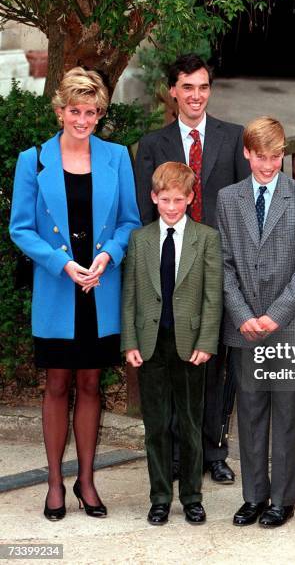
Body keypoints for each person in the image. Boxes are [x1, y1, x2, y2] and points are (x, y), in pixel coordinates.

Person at [9, 67, 141, 520]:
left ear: (100, 114)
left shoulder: (117, 156)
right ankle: (53, 482)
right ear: (60, 110)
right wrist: (62, 264)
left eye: (90, 112)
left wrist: (108, 257)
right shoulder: (35, 159)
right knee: (57, 384)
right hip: (57, 288)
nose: (81, 120)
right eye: (73, 110)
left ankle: (86, 480)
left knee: (90, 383)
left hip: (100, 288)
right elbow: (20, 228)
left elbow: (129, 221)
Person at [135, 53, 250, 484]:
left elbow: (241, 208)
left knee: (216, 361)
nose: (196, 96)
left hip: (219, 267)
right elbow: (147, 212)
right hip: (171, 271)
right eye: (188, 87)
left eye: (203, 87)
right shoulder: (153, 145)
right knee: (178, 357)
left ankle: (214, 449)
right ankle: (181, 453)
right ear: (173, 91)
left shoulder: (232, 136)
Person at [216, 116, 295, 528]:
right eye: (261, 157)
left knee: (286, 413)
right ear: (247, 153)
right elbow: (223, 264)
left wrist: (273, 316)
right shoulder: (229, 199)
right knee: (249, 411)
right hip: (244, 328)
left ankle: (282, 498)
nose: (269, 165)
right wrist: (244, 315)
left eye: (276, 156)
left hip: (290, 326)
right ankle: (254, 496)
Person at [122, 161, 223, 526]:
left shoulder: (206, 238)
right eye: (164, 199)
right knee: (157, 425)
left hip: (190, 343)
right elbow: (130, 295)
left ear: (191, 198)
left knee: (190, 424)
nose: (171, 207)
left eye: (178, 200)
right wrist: (129, 341)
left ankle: (192, 497)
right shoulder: (140, 239)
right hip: (151, 344)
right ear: (153, 198)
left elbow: (213, 297)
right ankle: (160, 496)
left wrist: (207, 341)